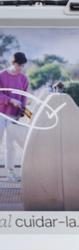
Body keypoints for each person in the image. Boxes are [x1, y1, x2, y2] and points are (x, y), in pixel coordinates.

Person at [0, 52, 28, 181]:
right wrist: (10, 100)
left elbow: (24, 98)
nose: (20, 68)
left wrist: (23, 111)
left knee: (10, 145)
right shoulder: (1, 75)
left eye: (22, 66)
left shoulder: (23, 79)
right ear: (13, 63)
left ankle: (10, 173)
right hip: (1, 114)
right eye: (19, 65)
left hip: (13, 116)